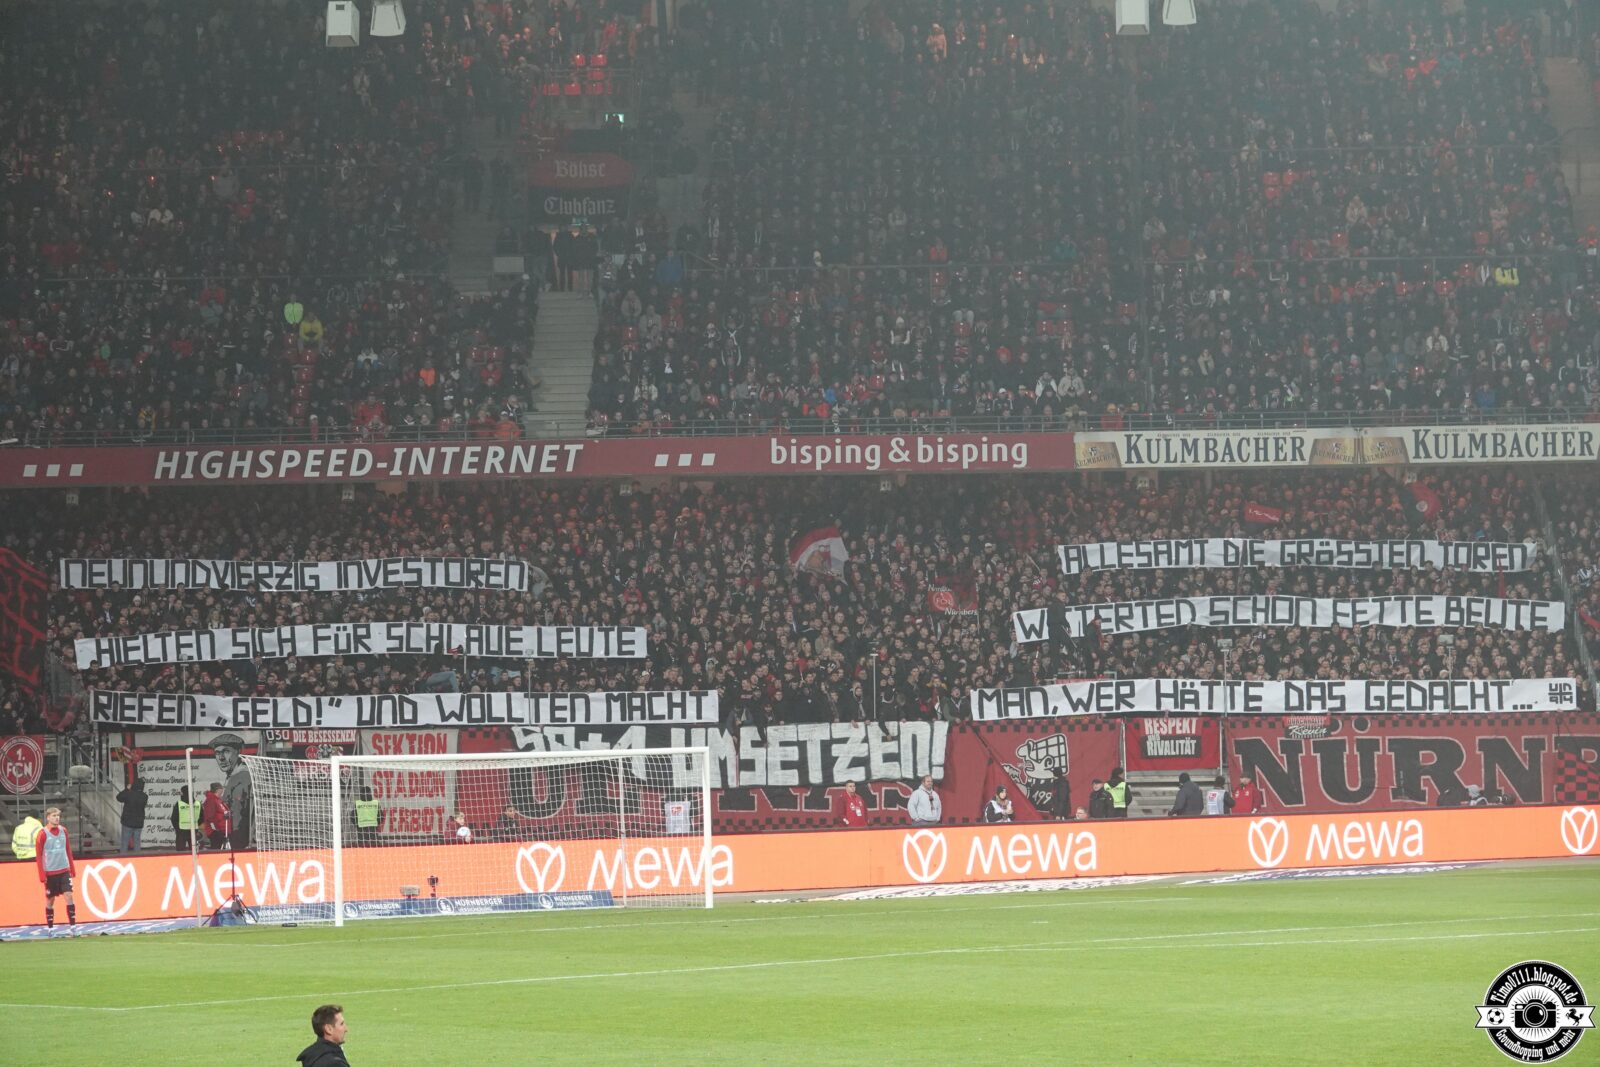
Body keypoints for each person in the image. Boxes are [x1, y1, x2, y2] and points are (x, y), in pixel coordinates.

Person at [35, 807, 76, 933]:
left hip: (64, 870)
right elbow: (39, 855)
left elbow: (68, 850)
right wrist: (42, 875)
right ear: (48, 817)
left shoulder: (64, 831)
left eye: (58, 816)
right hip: (50, 873)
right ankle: (50, 927)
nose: (56, 818)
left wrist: (72, 868)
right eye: (53, 816)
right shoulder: (42, 834)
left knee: (69, 895)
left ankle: (73, 926)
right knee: (50, 899)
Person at [211, 733, 253, 849]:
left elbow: (238, 814)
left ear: (238, 752)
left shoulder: (241, 778)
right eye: (217, 753)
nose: (221, 758)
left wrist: (232, 837)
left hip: (237, 838)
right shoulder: (233, 777)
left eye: (226, 751)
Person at [116, 776, 148, 853]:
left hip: (127, 822)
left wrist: (127, 789)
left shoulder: (129, 794)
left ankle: (123, 860)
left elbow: (119, 798)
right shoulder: (145, 796)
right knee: (137, 842)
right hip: (139, 823)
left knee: (125, 843)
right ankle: (137, 860)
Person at [201, 782, 230, 849]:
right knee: (216, 848)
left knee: (220, 848)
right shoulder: (211, 800)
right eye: (221, 788)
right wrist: (215, 829)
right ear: (218, 790)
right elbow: (210, 817)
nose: (222, 790)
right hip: (216, 831)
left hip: (221, 830)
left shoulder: (217, 799)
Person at [171, 786, 199, 852]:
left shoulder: (179, 804)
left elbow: (173, 818)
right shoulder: (197, 803)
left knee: (180, 853)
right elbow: (201, 817)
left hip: (181, 831)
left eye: (181, 792)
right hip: (193, 831)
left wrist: (177, 829)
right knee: (194, 852)